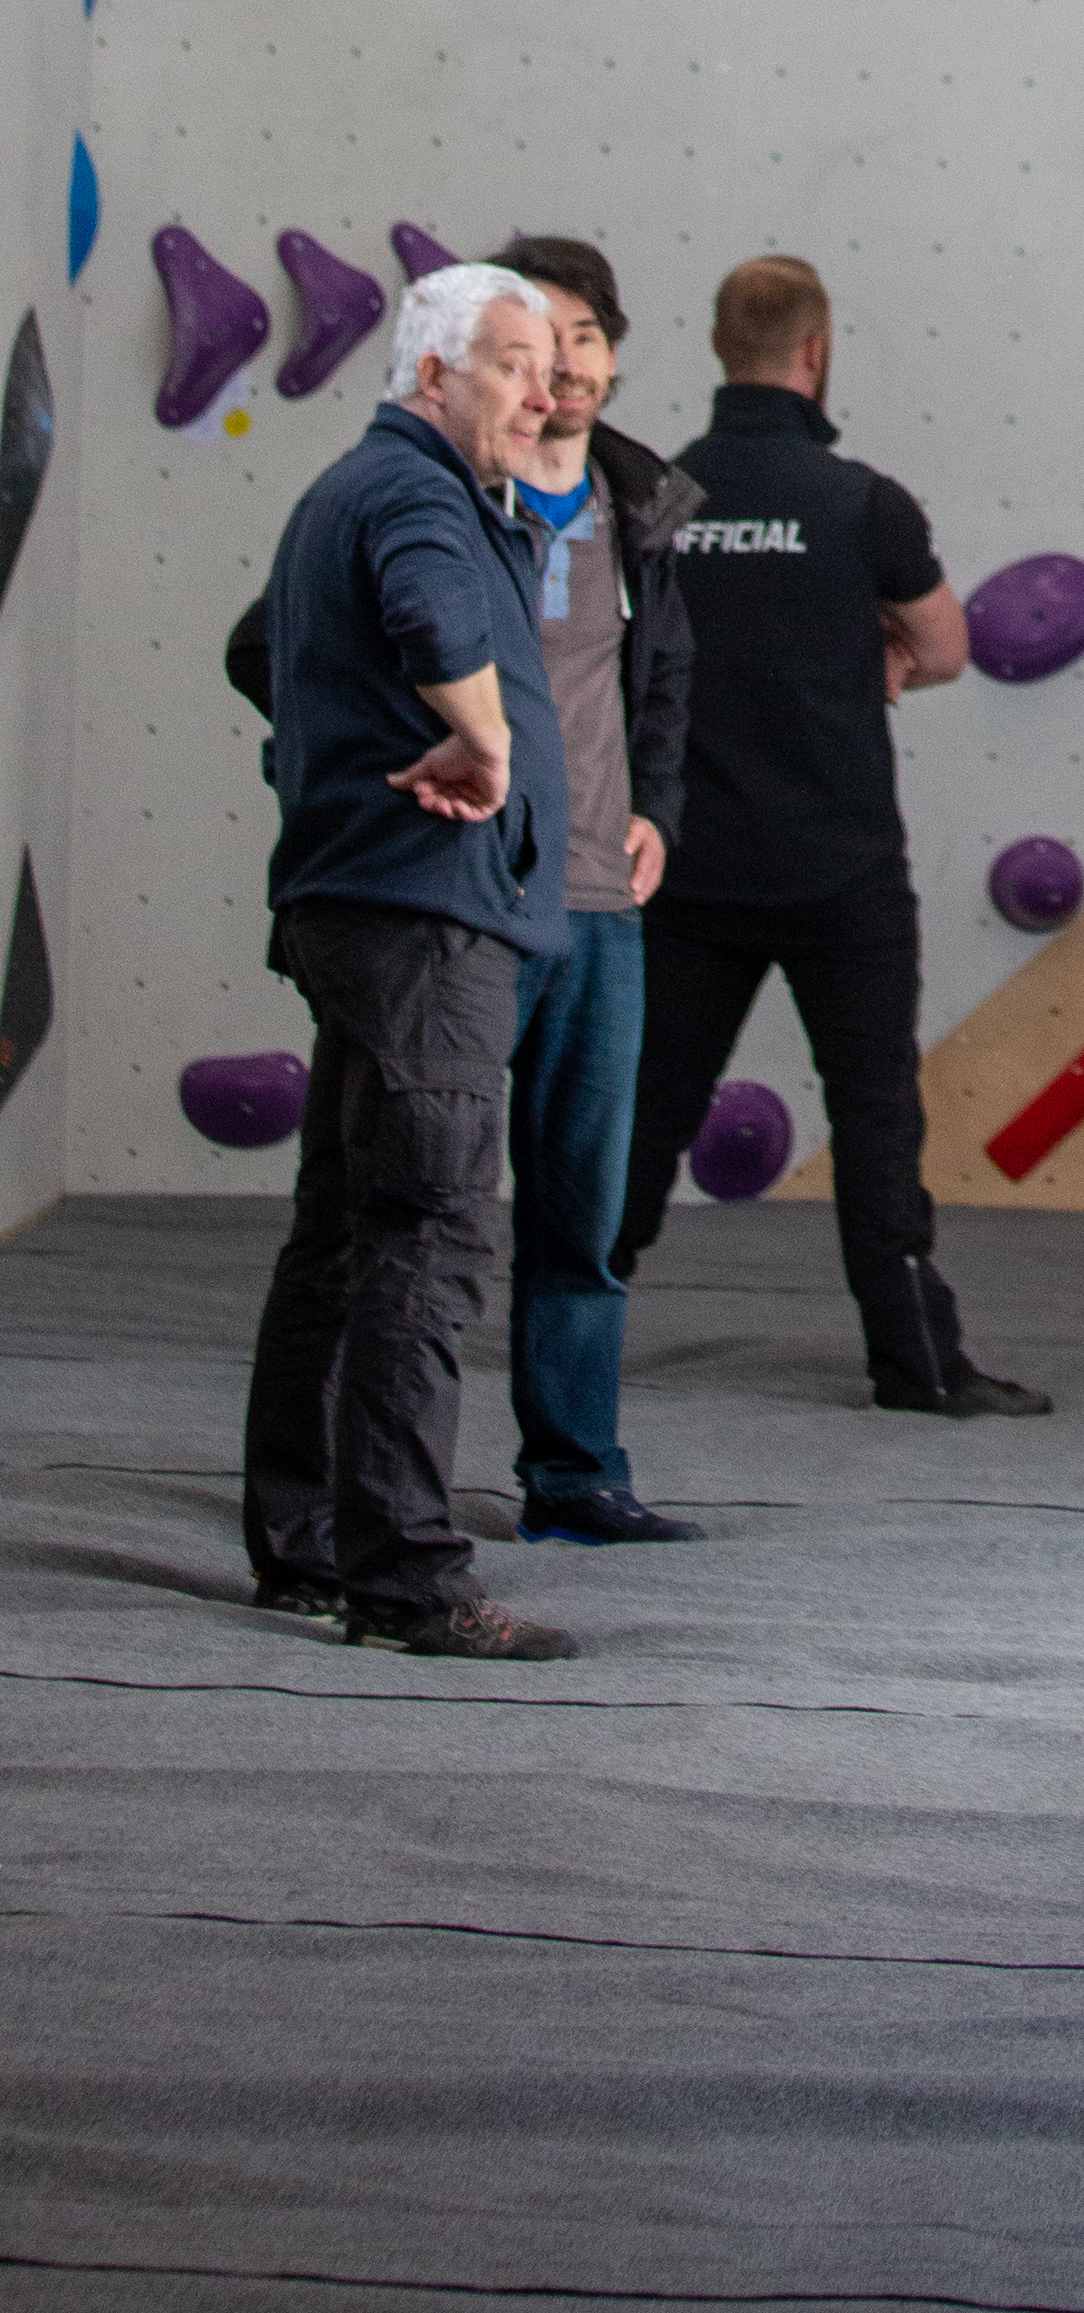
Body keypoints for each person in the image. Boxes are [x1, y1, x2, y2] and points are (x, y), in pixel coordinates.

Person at [612, 253, 1047, 1421]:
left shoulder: (660, 497)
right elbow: (949, 649)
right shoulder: (862, 504)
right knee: (873, 1118)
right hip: (838, 871)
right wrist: (875, 648)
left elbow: (612, 660)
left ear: (718, 350)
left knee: (647, 1108)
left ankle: (573, 1316)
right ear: (816, 353)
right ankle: (917, 1364)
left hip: (690, 865)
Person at [235, 261, 582, 1661]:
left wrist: (349, 731)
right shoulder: (416, 496)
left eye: (550, 363)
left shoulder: (363, 493)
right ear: (431, 374)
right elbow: (438, 624)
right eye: (512, 362)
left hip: (382, 909)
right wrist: (484, 746)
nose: (542, 390)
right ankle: (404, 1577)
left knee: (347, 1230)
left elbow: (256, 649)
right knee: (428, 1236)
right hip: (421, 918)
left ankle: (310, 1541)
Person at [485, 231, 699, 1547]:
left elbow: (667, 685)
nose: (563, 365)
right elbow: (272, 651)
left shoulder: (642, 507)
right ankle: (362, 1485)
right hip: (467, 906)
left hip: (600, 913)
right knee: (420, 1213)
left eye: (585, 337)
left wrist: (654, 812)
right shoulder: (438, 491)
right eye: (536, 338)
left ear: (613, 359)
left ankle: (574, 1478)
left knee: (586, 1210)